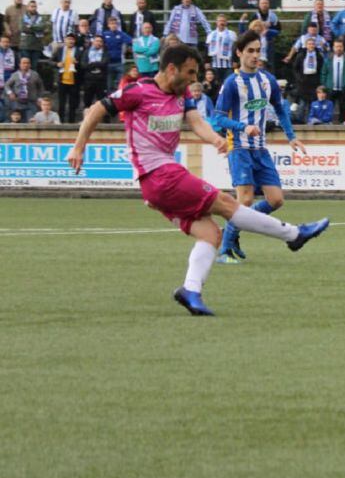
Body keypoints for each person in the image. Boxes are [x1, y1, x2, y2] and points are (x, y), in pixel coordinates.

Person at [67, 43, 328, 315]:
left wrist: (216, 139)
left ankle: (191, 290)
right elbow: (97, 108)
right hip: (159, 175)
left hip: (159, 183)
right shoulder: (138, 91)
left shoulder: (183, 96)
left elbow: (196, 123)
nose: (194, 80)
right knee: (227, 203)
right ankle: (294, 235)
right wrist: (78, 146)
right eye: (190, 73)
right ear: (171, 69)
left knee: (210, 233)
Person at [212, 30, 309, 265]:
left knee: (276, 200)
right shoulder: (232, 83)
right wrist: (242, 127)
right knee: (243, 201)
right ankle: (224, 250)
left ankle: (232, 232)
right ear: (239, 53)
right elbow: (217, 118)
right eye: (250, 51)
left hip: (260, 149)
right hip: (239, 148)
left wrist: (291, 137)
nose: (256, 55)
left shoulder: (268, 80)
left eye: (258, 51)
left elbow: (280, 108)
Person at [322, 39, 345, 122]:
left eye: (340, 46)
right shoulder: (329, 58)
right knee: (329, 107)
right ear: (333, 48)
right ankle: (327, 123)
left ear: (343, 47)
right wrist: (324, 84)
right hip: (331, 88)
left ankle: (343, 123)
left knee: (344, 108)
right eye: (337, 46)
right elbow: (324, 72)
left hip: (344, 88)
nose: (339, 48)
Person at [292, 37, 324, 119]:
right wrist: (299, 78)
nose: (311, 46)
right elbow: (296, 68)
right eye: (309, 44)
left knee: (312, 101)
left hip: (314, 81)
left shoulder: (318, 55)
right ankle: (299, 119)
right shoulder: (301, 55)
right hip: (303, 81)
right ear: (306, 45)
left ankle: (310, 119)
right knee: (302, 102)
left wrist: (319, 80)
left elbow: (321, 68)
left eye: (313, 44)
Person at [4, 56, 44, 121]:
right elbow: (7, 85)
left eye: (28, 63)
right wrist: (10, 93)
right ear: (20, 65)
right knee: (16, 122)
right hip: (17, 102)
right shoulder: (15, 75)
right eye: (24, 63)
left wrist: (39, 98)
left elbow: (41, 87)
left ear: (30, 65)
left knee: (31, 121)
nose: (26, 65)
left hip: (31, 102)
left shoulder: (35, 75)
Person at [55, 33, 82, 123]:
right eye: (68, 39)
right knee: (61, 103)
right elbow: (50, 61)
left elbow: (83, 65)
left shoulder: (79, 51)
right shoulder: (60, 50)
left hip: (74, 80)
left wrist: (77, 63)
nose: (70, 41)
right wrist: (57, 64)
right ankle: (60, 121)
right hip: (62, 79)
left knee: (72, 103)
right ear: (65, 40)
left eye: (72, 39)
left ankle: (71, 122)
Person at [102, 17, 132, 91]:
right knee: (109, 85)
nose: (114, 25)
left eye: (115, 23)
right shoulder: (104, 34)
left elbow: (131, 41)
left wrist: (128, 49)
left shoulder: (122, 34)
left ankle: (119, 100)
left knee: (120, 85)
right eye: (112, 23)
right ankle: (110, 100)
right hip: (108, 62)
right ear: (108, 25)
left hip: (120, 62)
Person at [80, 35, 109, 110]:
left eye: (100, 41)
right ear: (93, 42)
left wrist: (92, 64)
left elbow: (104, 64)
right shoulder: (86, 51)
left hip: (100, 80)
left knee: (102, 102)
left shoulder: (105, 52)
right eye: (97, 41)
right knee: (87, 101)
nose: (98, 43)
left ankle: (104, 120)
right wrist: (96, 64)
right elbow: (83, 65)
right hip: (89, 79)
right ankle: (86, 119)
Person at [206, 15, 237, 83]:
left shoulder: (232, 34)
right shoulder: (211, 34)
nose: (222, 22)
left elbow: (235, 48)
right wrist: (207, 61)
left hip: (228, 65)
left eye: (223, 21)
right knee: (215, 84)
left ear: (226, 23)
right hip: (215, 64)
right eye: (220, 21)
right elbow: (207, 49)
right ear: (216, 22)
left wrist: (235, 61)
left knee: (227, 83)